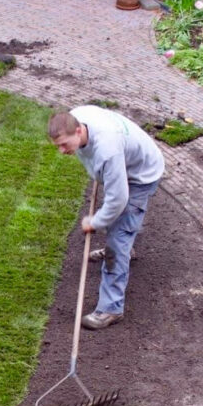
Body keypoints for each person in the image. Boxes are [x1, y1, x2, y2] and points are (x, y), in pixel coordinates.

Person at [48, 105, 165, 330]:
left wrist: (95, 222)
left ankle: (111, 308)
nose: (61, 151)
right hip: (123, 163)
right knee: (116, 221)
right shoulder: (77, 116)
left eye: (64, 145)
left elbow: (118, 199)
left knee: (117, 239)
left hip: (141, 175)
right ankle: (124, 247)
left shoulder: (107, 150)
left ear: (79, 132)